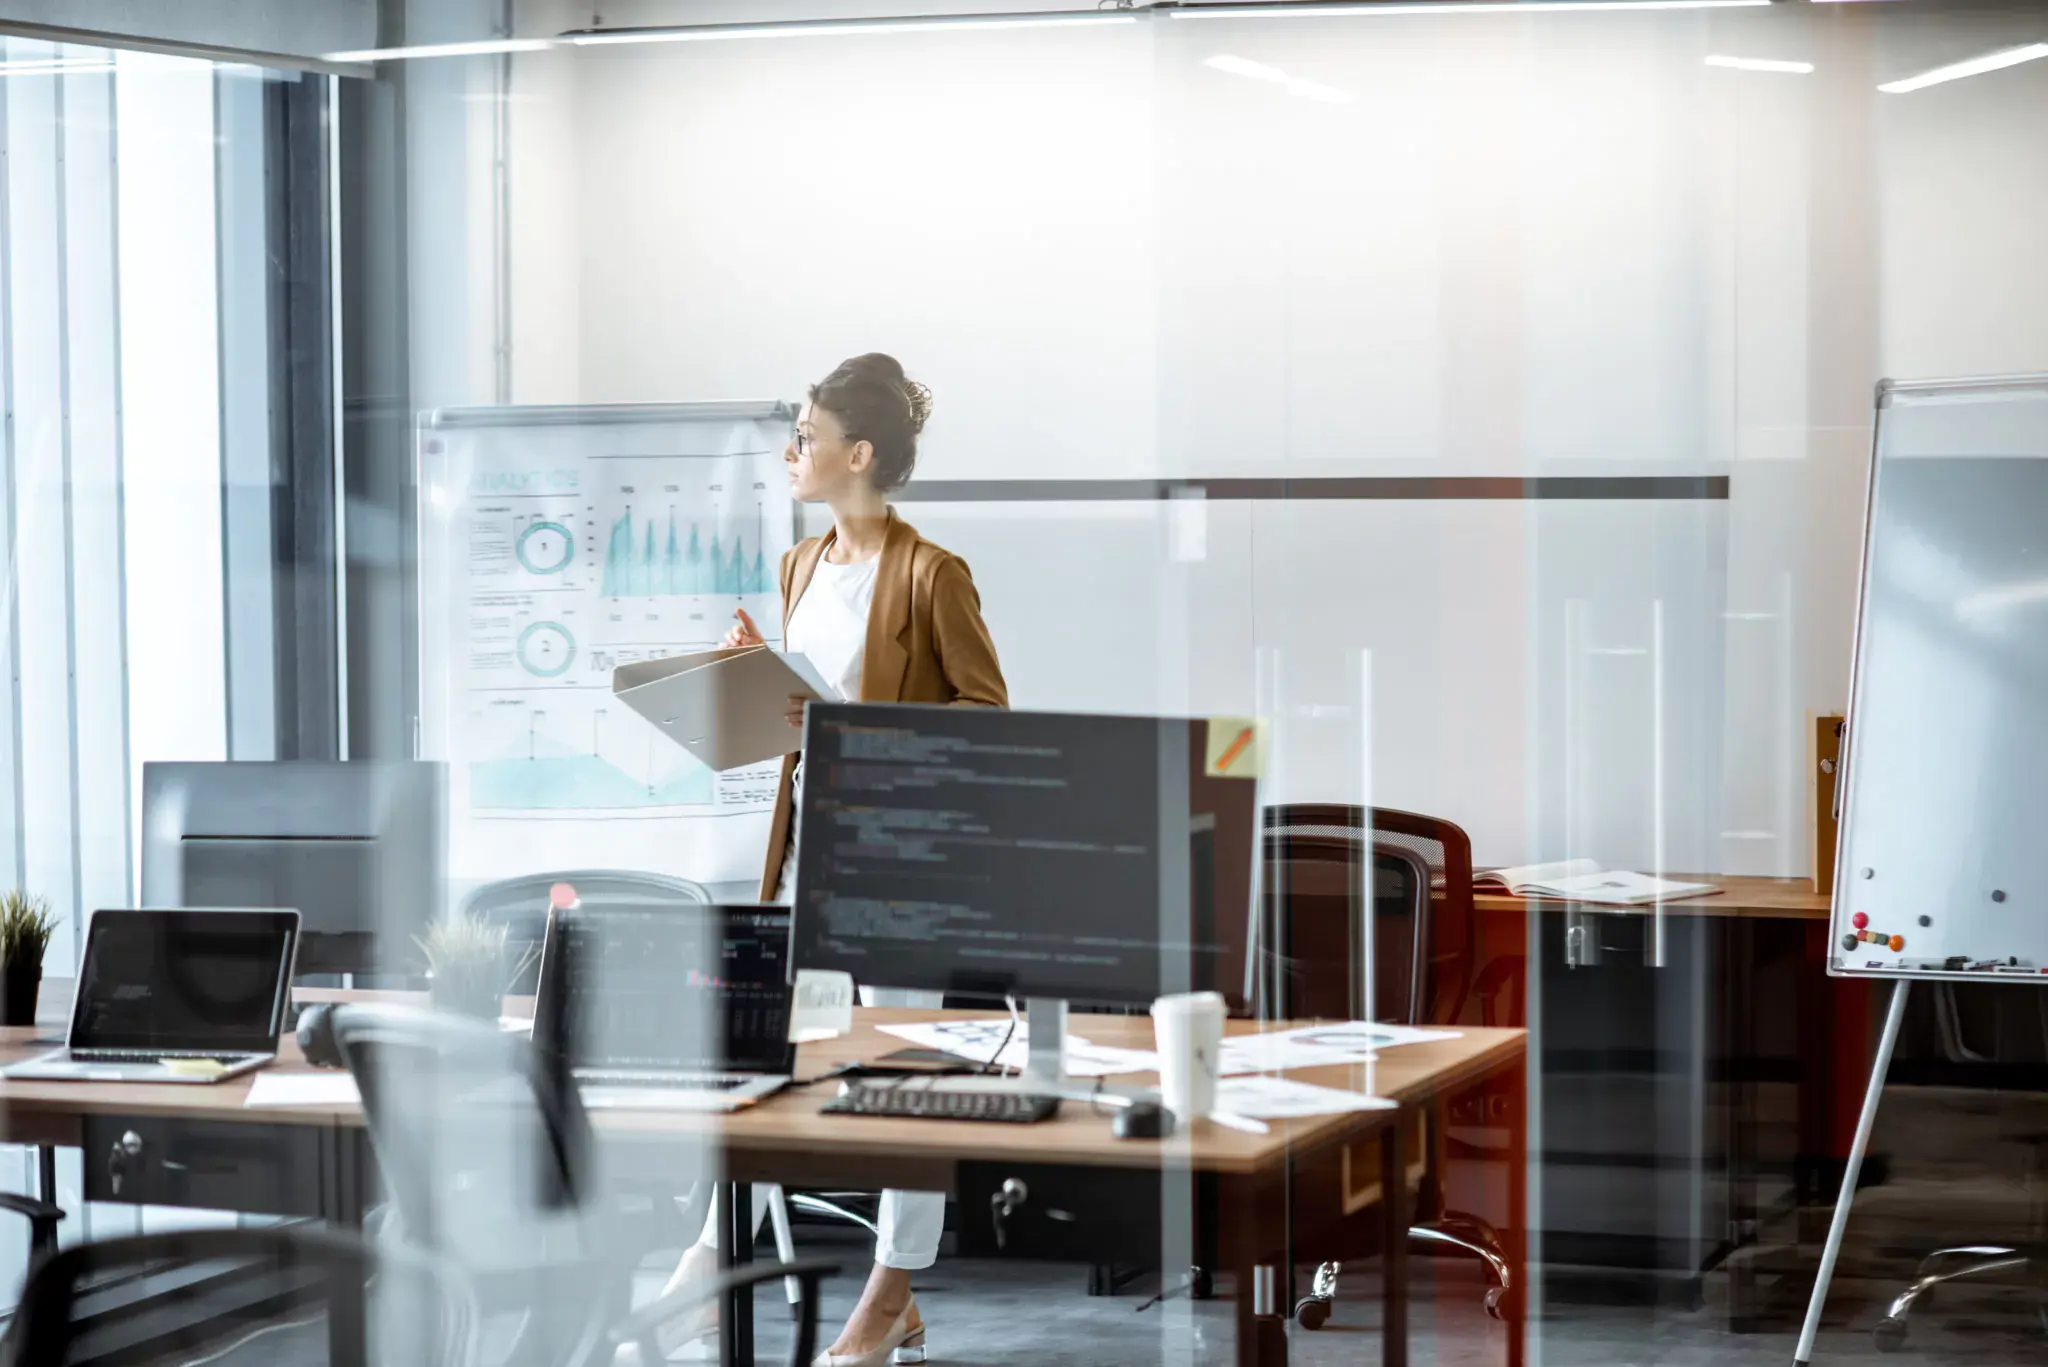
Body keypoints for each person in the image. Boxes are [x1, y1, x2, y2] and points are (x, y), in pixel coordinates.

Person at [657, 353, 1007, 1367]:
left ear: (859, 453)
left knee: (906, 1075)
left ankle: (890, 1292)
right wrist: (757, 675)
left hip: (898, 862)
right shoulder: (799, 564)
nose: (791, 452)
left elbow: (987, 717)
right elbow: (802, 713)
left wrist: (854, 726)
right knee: (775, 1054)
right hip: (802, 852)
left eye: (806, 435)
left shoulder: (933, 574)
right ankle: (710, 1256)